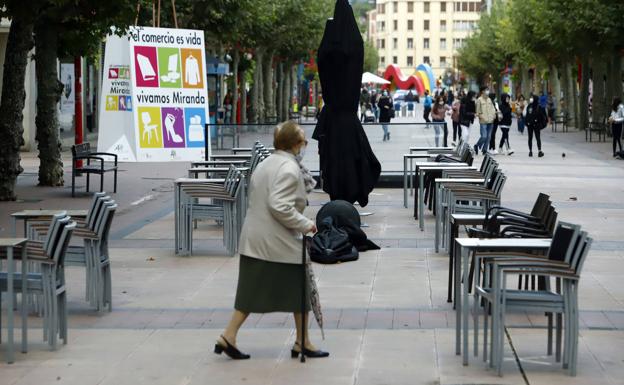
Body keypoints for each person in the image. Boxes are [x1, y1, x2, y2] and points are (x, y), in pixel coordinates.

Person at [216, 121, 328, 360]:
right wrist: (305, 224)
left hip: (256, 238)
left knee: (251, 293)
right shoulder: (288, 169)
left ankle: (231, 335)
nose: (304, 146)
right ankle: (301, 341)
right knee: (299, 289)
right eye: (303, 142)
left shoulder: (266, 163)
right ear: (296, 145)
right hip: (275, 241)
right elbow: (279, 205)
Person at [475, 86, 496, 155]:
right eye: (486, 90)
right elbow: (477, 112)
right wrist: (482, 117)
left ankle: (484, 150)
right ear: (482, 91)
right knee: (484, 136)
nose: (488, 91)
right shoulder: (479, 100)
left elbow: (493, 109)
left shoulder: (489, 99)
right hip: (483, 121)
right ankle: (477, 145)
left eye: (488, 90)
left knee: (489, 137)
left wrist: (494, 116)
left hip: (490, 121)